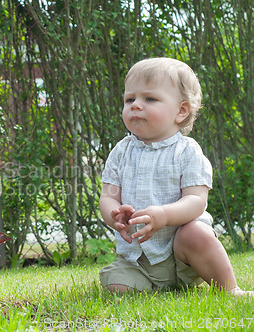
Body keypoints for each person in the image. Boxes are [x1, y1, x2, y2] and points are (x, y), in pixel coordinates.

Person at [98, 57, 252, 296]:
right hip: (139, 259)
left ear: (181, 110)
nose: (136, 105)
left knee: (196, 232)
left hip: (183, 253)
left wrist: (164, 215)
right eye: (130, 99)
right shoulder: (121, 151)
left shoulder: (187, 152)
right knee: (116, 286)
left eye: (150, 98)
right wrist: (114, 214)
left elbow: (196, 201)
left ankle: (230, 289)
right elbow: (108, 195)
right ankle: (153, 284)